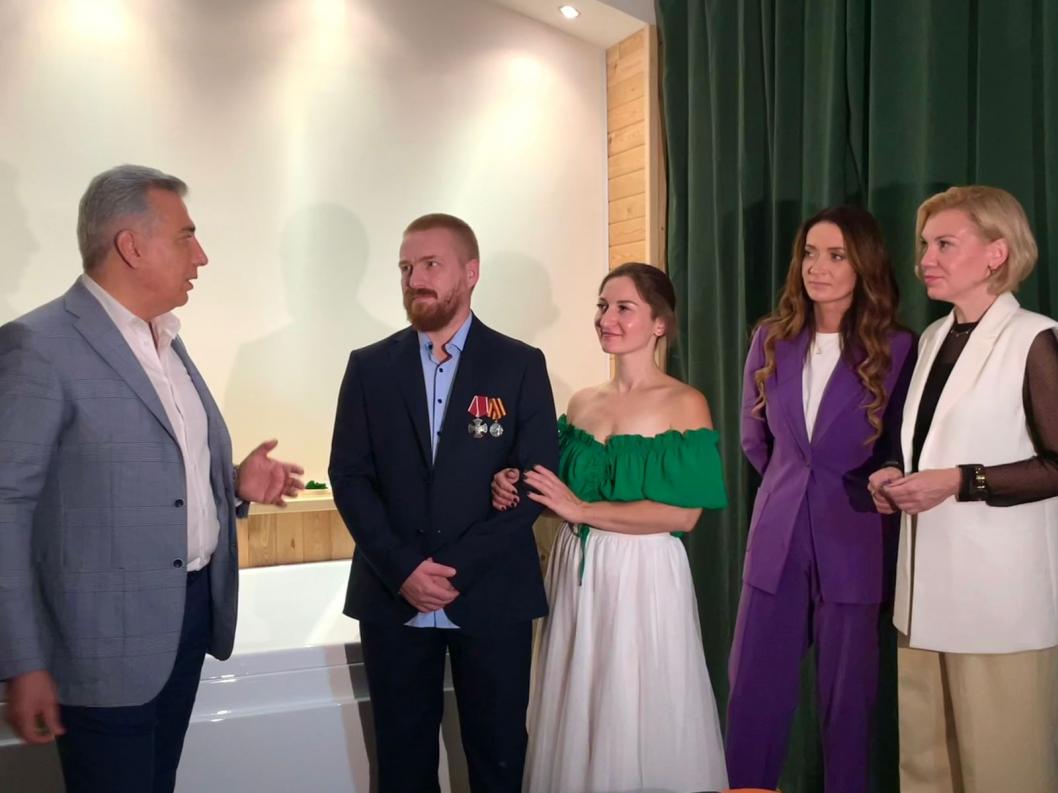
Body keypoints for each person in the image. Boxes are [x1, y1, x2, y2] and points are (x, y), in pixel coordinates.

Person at [0, 164, 303, 793]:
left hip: (185, 621)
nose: (202, 256)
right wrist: (22, 662)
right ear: (131, 246)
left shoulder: (166, 340)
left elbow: (142, 473)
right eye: (186, 236)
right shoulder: (38, 346)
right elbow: (7, 507)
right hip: (98, 648)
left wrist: (233, 484)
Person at [328, 213, 559, 793]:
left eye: (431, 264)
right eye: (406, 267)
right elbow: (349, 477)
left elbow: (536, 479)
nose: (415, 279)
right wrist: (404, 569)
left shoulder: (519, 364)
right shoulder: (368, 367)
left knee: (499, 757)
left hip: (493, 593)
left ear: (470, 273)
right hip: (392, 596)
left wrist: (454, 569)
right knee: (402, 765)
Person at [492, 261, 729, 792]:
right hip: (576, 571)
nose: (607, 318)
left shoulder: (685, 403)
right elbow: (558, 495)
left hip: (644, 574)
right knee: (580, 700)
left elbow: (683, 515)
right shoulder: (582, 403)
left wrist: (581, 511)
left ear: (659, 323)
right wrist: (514, 485)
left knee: (636, 701)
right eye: (602, 306)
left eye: (624, 307)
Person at [872, 185, 1058, 792]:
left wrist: (960, 482)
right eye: (925, 244)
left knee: (1004, 770)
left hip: (998, 600)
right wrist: (892, 473)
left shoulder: (1034, 337)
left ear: (996, 253)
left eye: (944, 244)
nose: (925, 258)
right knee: (927, 766)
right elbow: (927, 441)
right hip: (925, 593)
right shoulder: (932, 337)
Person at [725, 205, 916, 792]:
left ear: (864, 265)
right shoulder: (771, 339)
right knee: (753, 692)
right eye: (810, 253)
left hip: (855, 540)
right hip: (777, 537)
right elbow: (754, 439)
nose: (817, 267)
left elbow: (898, 445)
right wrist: (793, 489)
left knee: (847, 703)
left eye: (835, 256)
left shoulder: (898, 347)